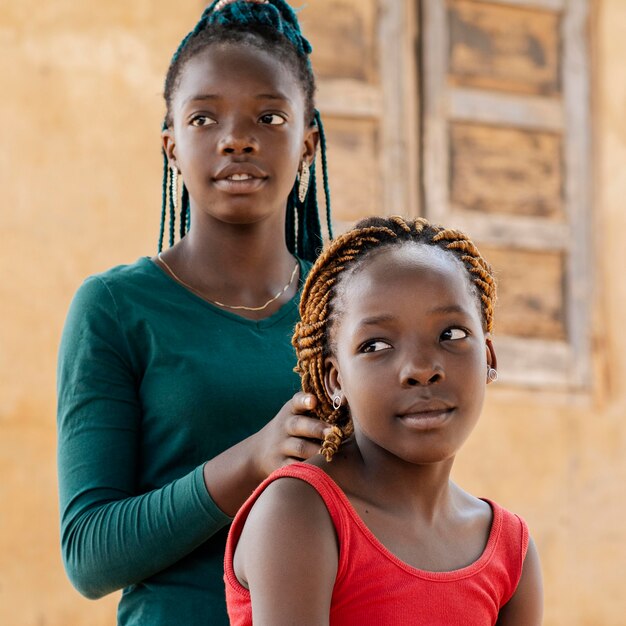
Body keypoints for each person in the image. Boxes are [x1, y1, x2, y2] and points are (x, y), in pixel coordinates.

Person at [56, 1, 334, 624]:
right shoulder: (116, 308)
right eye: (204, 118)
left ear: (308, 141)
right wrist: (253, 461)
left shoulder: (345, 307)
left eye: (269, 115)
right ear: (171, 145)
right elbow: (88, 556)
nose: (236, 137)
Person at [224, 215, 544, 625]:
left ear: (489, 358)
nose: (421, 368)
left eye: (452, 334)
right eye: (376, 345)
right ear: (335, 379)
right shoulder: (300, 510)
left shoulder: (509, 550)